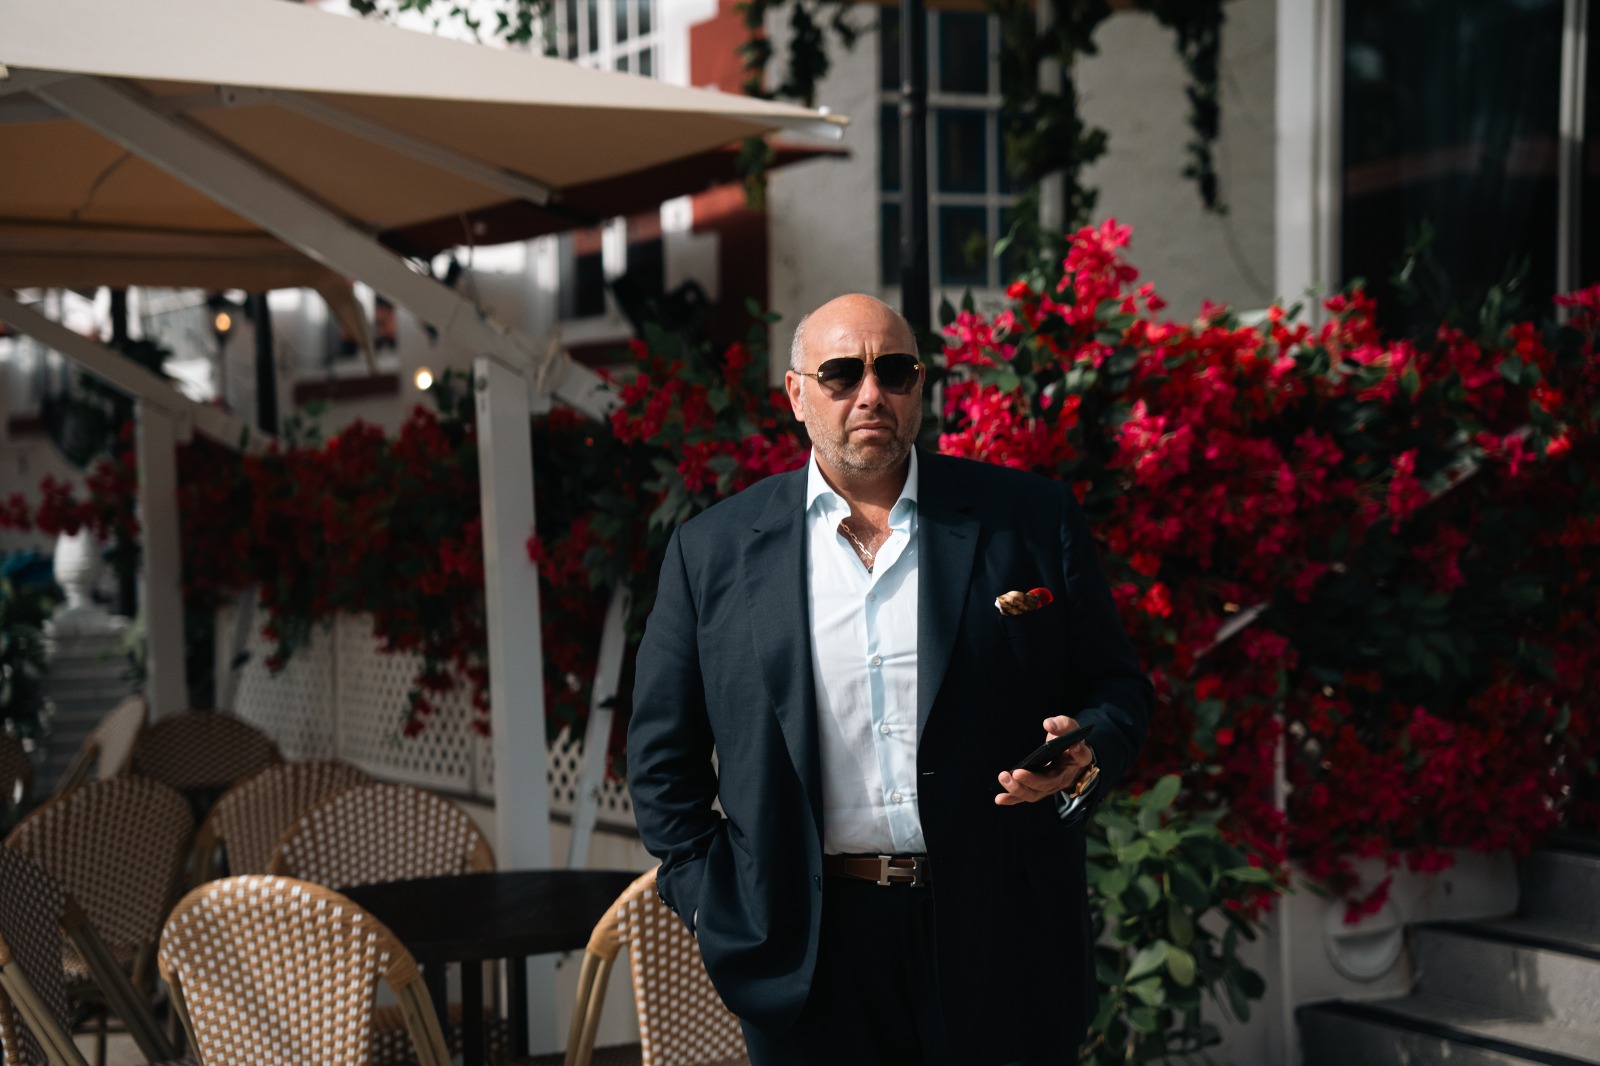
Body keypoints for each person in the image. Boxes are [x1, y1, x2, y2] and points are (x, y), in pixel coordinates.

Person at [628, 294, 1152, 1065]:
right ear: (796, 394)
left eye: (895, 371)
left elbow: (1117, 689)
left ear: (920, 386)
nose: (871, 394)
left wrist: (1088, 747)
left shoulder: (1028, 518)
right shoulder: (713, 551)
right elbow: (661, 760)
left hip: (1002, 935)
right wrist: (713, 904)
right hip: (808, 951)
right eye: (842, 374)